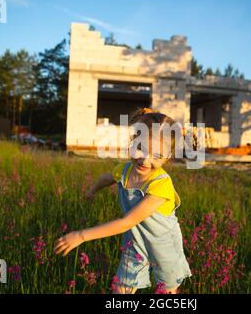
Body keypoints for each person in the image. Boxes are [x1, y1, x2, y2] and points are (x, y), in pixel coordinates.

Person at [54, 108, 192, 294]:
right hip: (135, 242)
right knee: (121, 289)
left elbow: (126, 222)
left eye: (157, 156)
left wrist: (81, 236)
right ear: (132, 141)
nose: (145, 160)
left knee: (166, 292)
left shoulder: (161, 186)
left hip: (163, 245)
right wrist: (92, 191)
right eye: (141, 148)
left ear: (167, 158)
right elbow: (107, 178)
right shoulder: (125, 170)